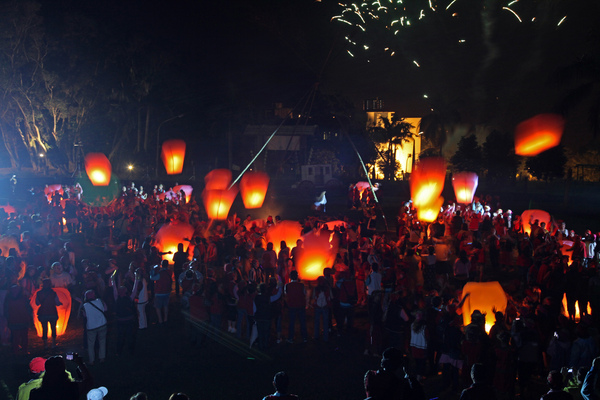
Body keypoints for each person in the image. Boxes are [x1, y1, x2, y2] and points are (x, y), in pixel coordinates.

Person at [81, 290, 107, 365]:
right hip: (102, 324)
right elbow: (105, 309)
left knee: (91, 344)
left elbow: (85, 316)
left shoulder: (85, 306)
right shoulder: (100, 301)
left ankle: (91, 360)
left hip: (91, 327)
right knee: (102, 341)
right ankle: (102, 358)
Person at [34, 279, 62, 348]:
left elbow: (37, 303)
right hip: (52, 312)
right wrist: (60, 303)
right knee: (53, 328)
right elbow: (57, 303)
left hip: (43, 313)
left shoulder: (39, 293)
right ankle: (53, 343)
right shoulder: (53, 293)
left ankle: (45, 344)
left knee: (44, 328)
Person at [285, 270, 307, 343]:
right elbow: (304, 294)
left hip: (292, 305)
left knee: (291, 322)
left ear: (290, 277)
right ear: (297, 276)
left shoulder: (287, 285)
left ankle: (291, 337)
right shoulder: (302, 285)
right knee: (302, 322)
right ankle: (304, 337)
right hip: (301, 305)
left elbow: (285, 295)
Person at [150, 259, 172, 324]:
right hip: (167, 292)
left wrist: (152, 270)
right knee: (165, 306)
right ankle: (165, 319)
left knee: (158, 307)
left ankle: (160, 320)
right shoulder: (169, 272)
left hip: (159, 292)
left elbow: (152, 278)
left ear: (162, 265)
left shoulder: (160, 273)